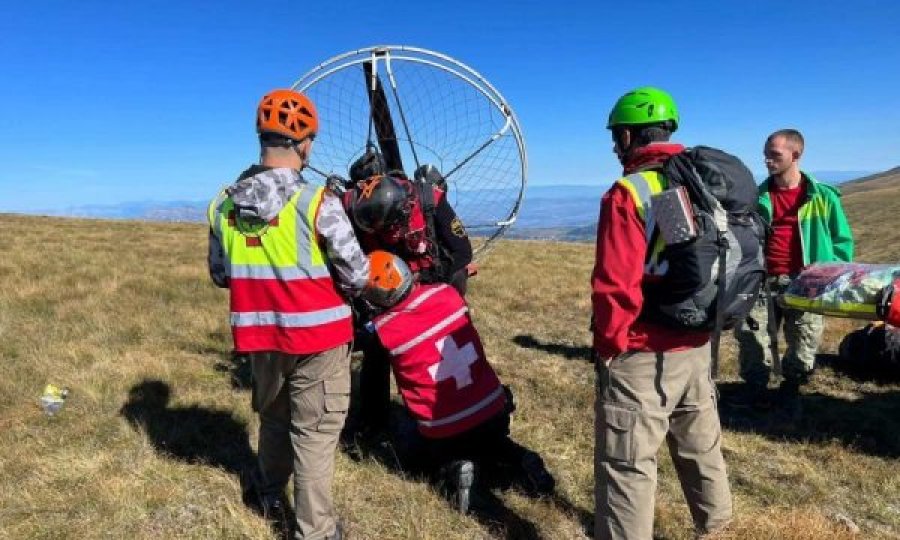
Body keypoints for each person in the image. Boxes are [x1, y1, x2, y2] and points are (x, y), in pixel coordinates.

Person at [207, 88, 369, 540]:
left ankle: (266, 492)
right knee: (314, 435)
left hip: (260, 339)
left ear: (262, 138)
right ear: (305, 143)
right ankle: (315, 531)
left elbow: (221, 275)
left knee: (275, 418)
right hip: (319, 341)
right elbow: (356, 276)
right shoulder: (318, 203)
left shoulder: (223, 206)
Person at [592, 87, 733, 539]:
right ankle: (717, 530)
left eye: (617, 137)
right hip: (697, 342)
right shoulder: (697, 180)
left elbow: (616, 284)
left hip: (644, 351)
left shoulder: (631, 190)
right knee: (702, 451)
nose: (616, 147)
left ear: (630, 136)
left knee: (628, 465)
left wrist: (610, 348)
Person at [361, 250, 554, 513]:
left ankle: (454, 469)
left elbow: (362, 344)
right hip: (492, 409)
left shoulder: (383, 331)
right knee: (491, 440)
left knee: (413, 450)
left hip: (441, 428)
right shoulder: (447, 293)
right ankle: (519, 458)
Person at [341, 153, 474, 434]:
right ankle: (373, 420)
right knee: (378, 346)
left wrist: (421, 280)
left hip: (434, 283)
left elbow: (462, 252)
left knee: (437, 346)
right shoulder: (357, 210)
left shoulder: (430, 201)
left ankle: (451, 405)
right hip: (387, 290)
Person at [734, 129, 854, 408]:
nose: (767, 161)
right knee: (751, 337)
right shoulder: (755, 196)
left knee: (804, 340)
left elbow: (841, 242)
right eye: (765, 155)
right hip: (761, 281)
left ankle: (793, 388)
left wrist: (828, 276)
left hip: (806, 282)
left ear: (795, 155)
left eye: (774, 155)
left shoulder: (823, 197)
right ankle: (756, 390)